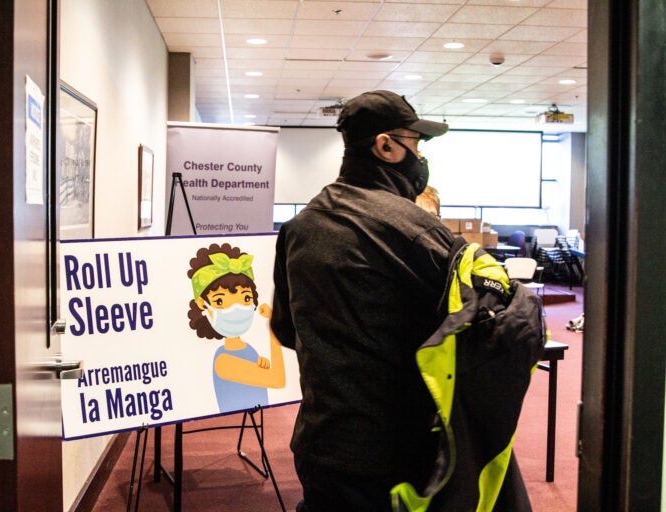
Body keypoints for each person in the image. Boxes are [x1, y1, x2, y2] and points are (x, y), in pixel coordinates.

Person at [271, 90, 531, 511]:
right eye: (416, 144)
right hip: (395, 451)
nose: (420, 158)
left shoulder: (299, 226)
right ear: (386, 146)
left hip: (321, 441)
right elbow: (478, 330)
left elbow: (285, 330)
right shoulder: (416, 231)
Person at [187, 242, 285, 413]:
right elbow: (278, 379)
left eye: (246, 298)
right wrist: (272, 323)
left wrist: (259, 364)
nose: (236, 308)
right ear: (203, 304)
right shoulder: (223, 361)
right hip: (236, 420)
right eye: (220, 301)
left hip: (253, 411)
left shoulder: (247, 349)